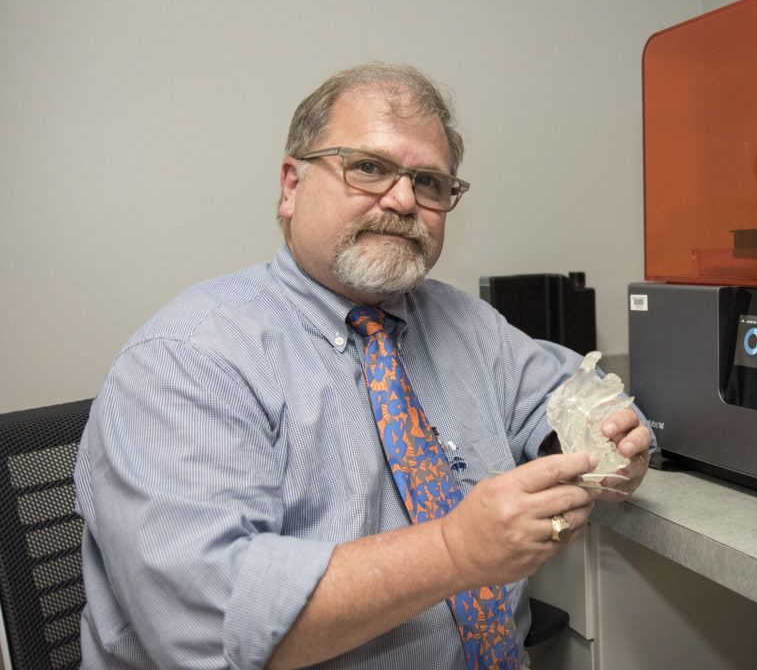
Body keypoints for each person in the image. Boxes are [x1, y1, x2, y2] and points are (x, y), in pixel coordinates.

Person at [74, 62, 653, 670]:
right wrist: (456, 551)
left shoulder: (463, 324)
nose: (404, 200)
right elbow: (211, 631)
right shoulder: (187, 361)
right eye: (369, 168)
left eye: (430, 182)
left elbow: (572, 393)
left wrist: (614, 435)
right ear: (292, 185)